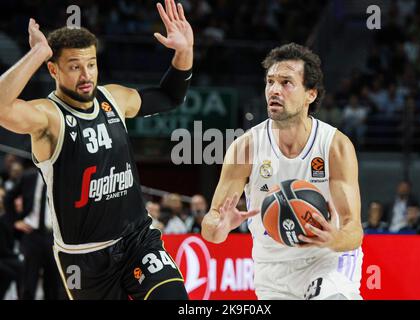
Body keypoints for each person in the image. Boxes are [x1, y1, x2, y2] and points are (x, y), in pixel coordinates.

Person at [0, 0, 193, 300]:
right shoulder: (49, 117)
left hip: (138, 240)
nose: (86, 75)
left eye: (91, 64)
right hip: (84, 258)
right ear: (53, 69)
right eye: (75, 66)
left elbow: (169, 96)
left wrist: (183, 51)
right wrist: (37, 52)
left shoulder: (114, 98)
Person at [202, 43, 364, 300]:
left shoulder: (335, 146)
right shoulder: (245, 147)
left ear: (310, 94)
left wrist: (334, 239)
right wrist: (219, 227)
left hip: (327, 260)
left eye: (286, 82)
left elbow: (354, 231)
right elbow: (210, 227)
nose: (274, 90)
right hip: (272, 272)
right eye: (270, 82)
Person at [4, 167, 63, 299]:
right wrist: (14, 221)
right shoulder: (29, 176)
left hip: (54, 237)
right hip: (32, 235)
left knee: (53, 283)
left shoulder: (62, 177)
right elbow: (8, 197)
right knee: (28, 282)